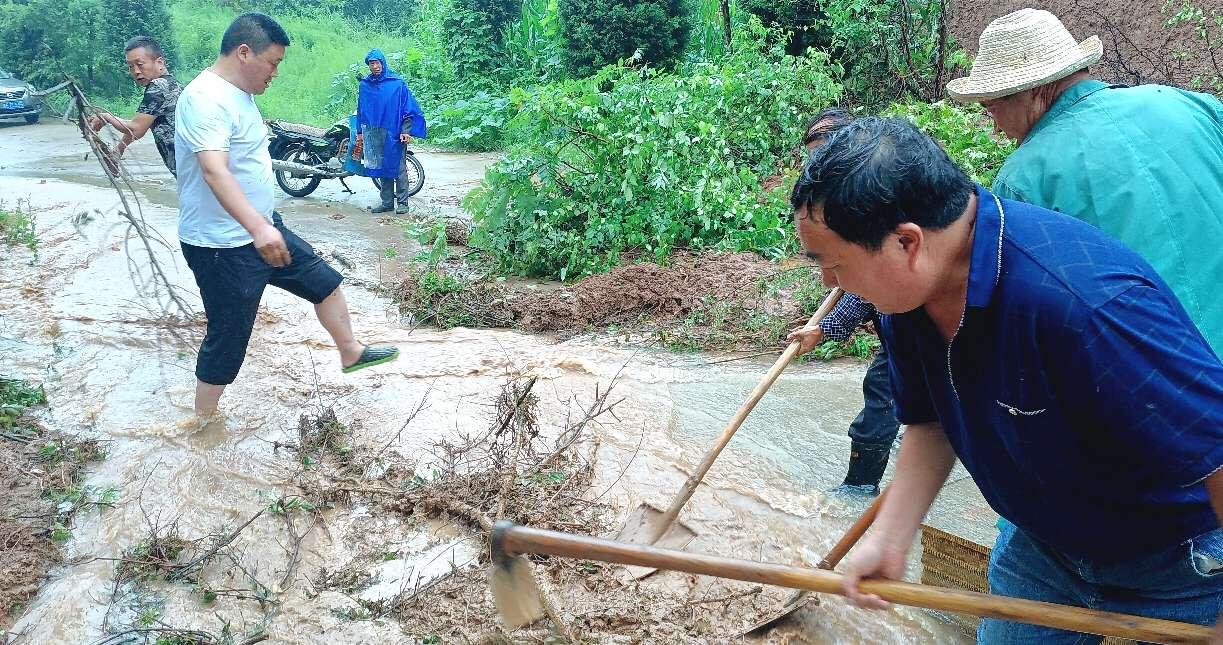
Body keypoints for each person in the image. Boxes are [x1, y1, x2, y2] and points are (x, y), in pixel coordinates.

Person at [791, 117, 1223, 641]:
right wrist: (891, 532)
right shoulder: (907, 298)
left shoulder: (1084, 305)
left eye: (834, 264)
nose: (828, 283)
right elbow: (930, 420)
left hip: (1178, 564)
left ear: (906, 242)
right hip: (1042, 550)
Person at [946, 8, 1223, 356]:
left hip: (1155, 382)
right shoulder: (1196, 107)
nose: (995, 127)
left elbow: (1026, 321)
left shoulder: (1023, 179)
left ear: (1031, 91)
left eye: (991, 109)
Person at [174, 12, 399, 416]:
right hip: (222, 245)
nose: (276, 72)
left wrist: (264, 225)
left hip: (263, 231)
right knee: (228, 337)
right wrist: (258, 226)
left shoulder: (238, 95)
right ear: (244, 53)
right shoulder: (204, 99)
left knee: (324, 280)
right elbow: (214, 170)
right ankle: (204, 423)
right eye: (273, 62)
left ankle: (351, 351)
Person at [787, 107, 899, 497]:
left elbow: (868, 286)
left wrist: (827, 328)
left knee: (884, 402)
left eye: (825, 155)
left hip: (918, 316)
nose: (817, 167)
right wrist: (823, 328)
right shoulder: (836, 200)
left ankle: (858, 489)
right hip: (897, 315)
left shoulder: (877, 194)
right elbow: (853, 282)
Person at [88, 36, 182, 176]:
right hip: (193, 165)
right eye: (131, 66)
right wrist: (119, 149)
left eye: (140, 64)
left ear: (160, 62)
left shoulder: (157, 87)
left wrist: (105, 117)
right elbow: (141, 126)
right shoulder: (173, 85)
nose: (136, 71)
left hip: (189, 170)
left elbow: (136, 128)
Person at [356, 49, 426, 214]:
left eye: (377, 63)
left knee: (398, 168)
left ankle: (402, 203)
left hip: (394, 133)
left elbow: (408, 109)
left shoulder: (397, 84)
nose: (374, 66)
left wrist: (406, 130)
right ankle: (387, 202)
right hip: (374, 133)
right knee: (382, 167)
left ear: (383, 63)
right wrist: (360, 132)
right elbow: (361, 110)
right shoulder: (366, 86)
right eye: (371, 64)